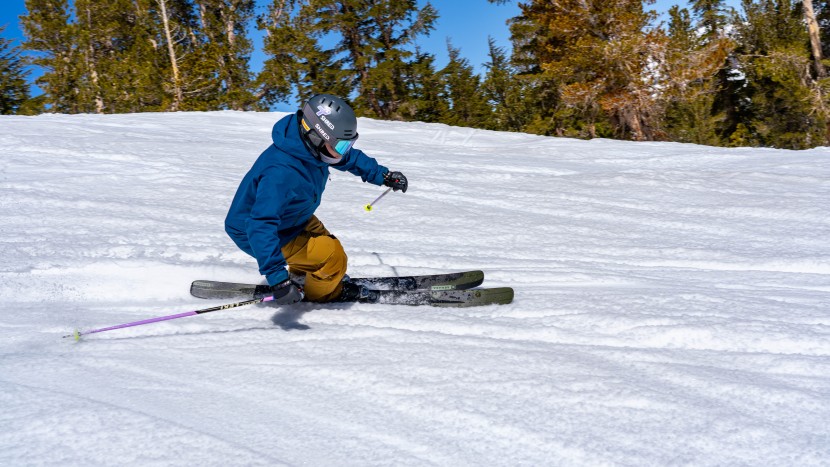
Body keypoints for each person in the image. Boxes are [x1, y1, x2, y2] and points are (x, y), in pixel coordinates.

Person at [224, 94, 407, 305]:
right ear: (315, 137)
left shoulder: (311, 149)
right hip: (256, 232)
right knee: (333, 257)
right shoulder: (280, 173)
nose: (343, 153)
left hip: (289, 217)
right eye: (340, 146)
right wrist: (277, 278)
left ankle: (303, 274)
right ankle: (326, 293)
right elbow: (260, 225)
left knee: (320, 235)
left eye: (347, 145)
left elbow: (349, 158)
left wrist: (383, 175)